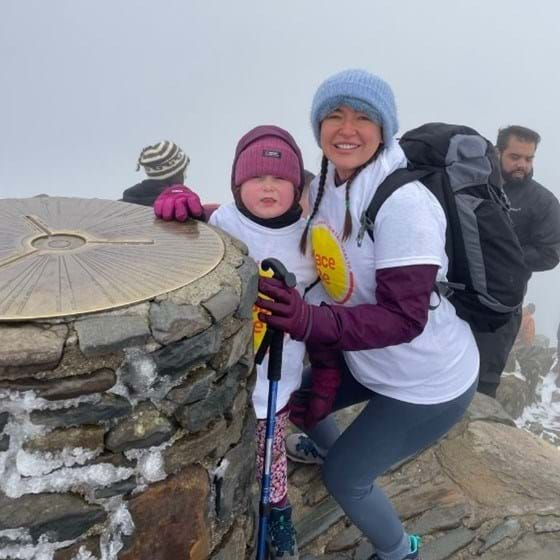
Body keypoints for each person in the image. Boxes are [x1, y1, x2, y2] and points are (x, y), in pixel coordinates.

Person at [255, 69, 479, 560]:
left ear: (385, 130)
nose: (346, 128)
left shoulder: (404, 206)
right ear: (318, 127)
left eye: (362, 117)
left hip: (426, 382)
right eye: (334, 115)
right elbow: (263, 206)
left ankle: (400, 550)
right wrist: (195, 210)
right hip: (368, 362)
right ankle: (333, 447)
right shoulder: (327, 187)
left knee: (346, 479)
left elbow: (405, 319)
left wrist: (312, 324)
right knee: (291, 397)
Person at [154, 125, 318, 559]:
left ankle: (278, 516)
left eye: (281, 179)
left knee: (271, 456)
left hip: (277, 378)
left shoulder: (311, 239)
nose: (268, 186)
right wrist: (177, 213)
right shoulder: (222, 222)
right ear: (236, 184)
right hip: (225, 370)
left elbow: (334, 294)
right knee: (222, 446)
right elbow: (182, 236)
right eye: (256, 178)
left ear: (298, 186)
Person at [473, 126, 560, 397]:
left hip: (503, 304)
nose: (522, 164)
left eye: (529, 158)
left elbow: (551, 252)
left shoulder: (543, 202)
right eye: (515, 157)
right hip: (456, 296)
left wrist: (502, 256)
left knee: (483, 382)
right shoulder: (475, 184)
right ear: (498, 152)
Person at [122, 140, 196, 207]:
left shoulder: (121, 205)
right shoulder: (179, 210)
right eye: (184, 171)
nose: (186, 176)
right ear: (176, 175)